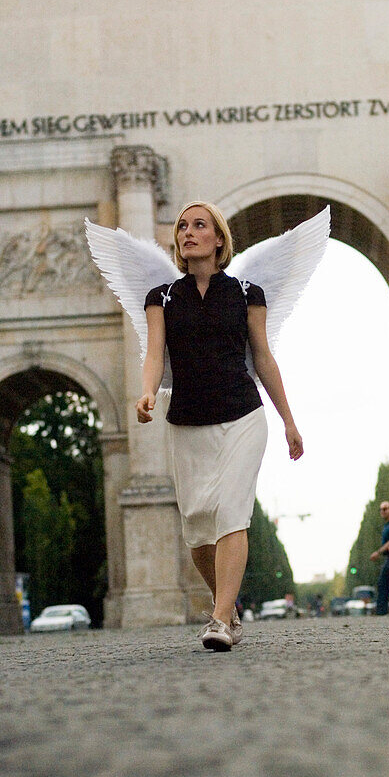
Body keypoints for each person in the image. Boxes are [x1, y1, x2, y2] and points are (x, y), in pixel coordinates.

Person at [136, 202, 303, 651]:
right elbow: (156, 354)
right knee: (197, 526)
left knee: (231, 513)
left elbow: (263, 358)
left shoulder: (249, 293)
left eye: (199, 225)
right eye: (182, 227)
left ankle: (219, 621)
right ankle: (226, 605)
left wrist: (288, 419)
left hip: (242, 415)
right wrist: (148, 390)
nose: (188, 232)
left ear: (219, 239)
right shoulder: (161, 297)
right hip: (186, 420)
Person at [370, 501, 389, 615]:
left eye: (386, 508)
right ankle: (382, 610)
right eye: (381, 509)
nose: (383, 511)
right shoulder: (387, 525)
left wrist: (378, 552)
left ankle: (381, 610)